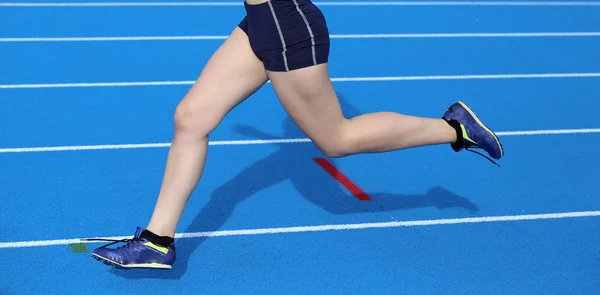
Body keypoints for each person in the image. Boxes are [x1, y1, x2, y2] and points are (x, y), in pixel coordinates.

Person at [87, 0, 503, 269]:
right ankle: (157, 243)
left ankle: (455, 128)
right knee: (191, 118)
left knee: (336, 139)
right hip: (260, 21)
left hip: (288, 26)